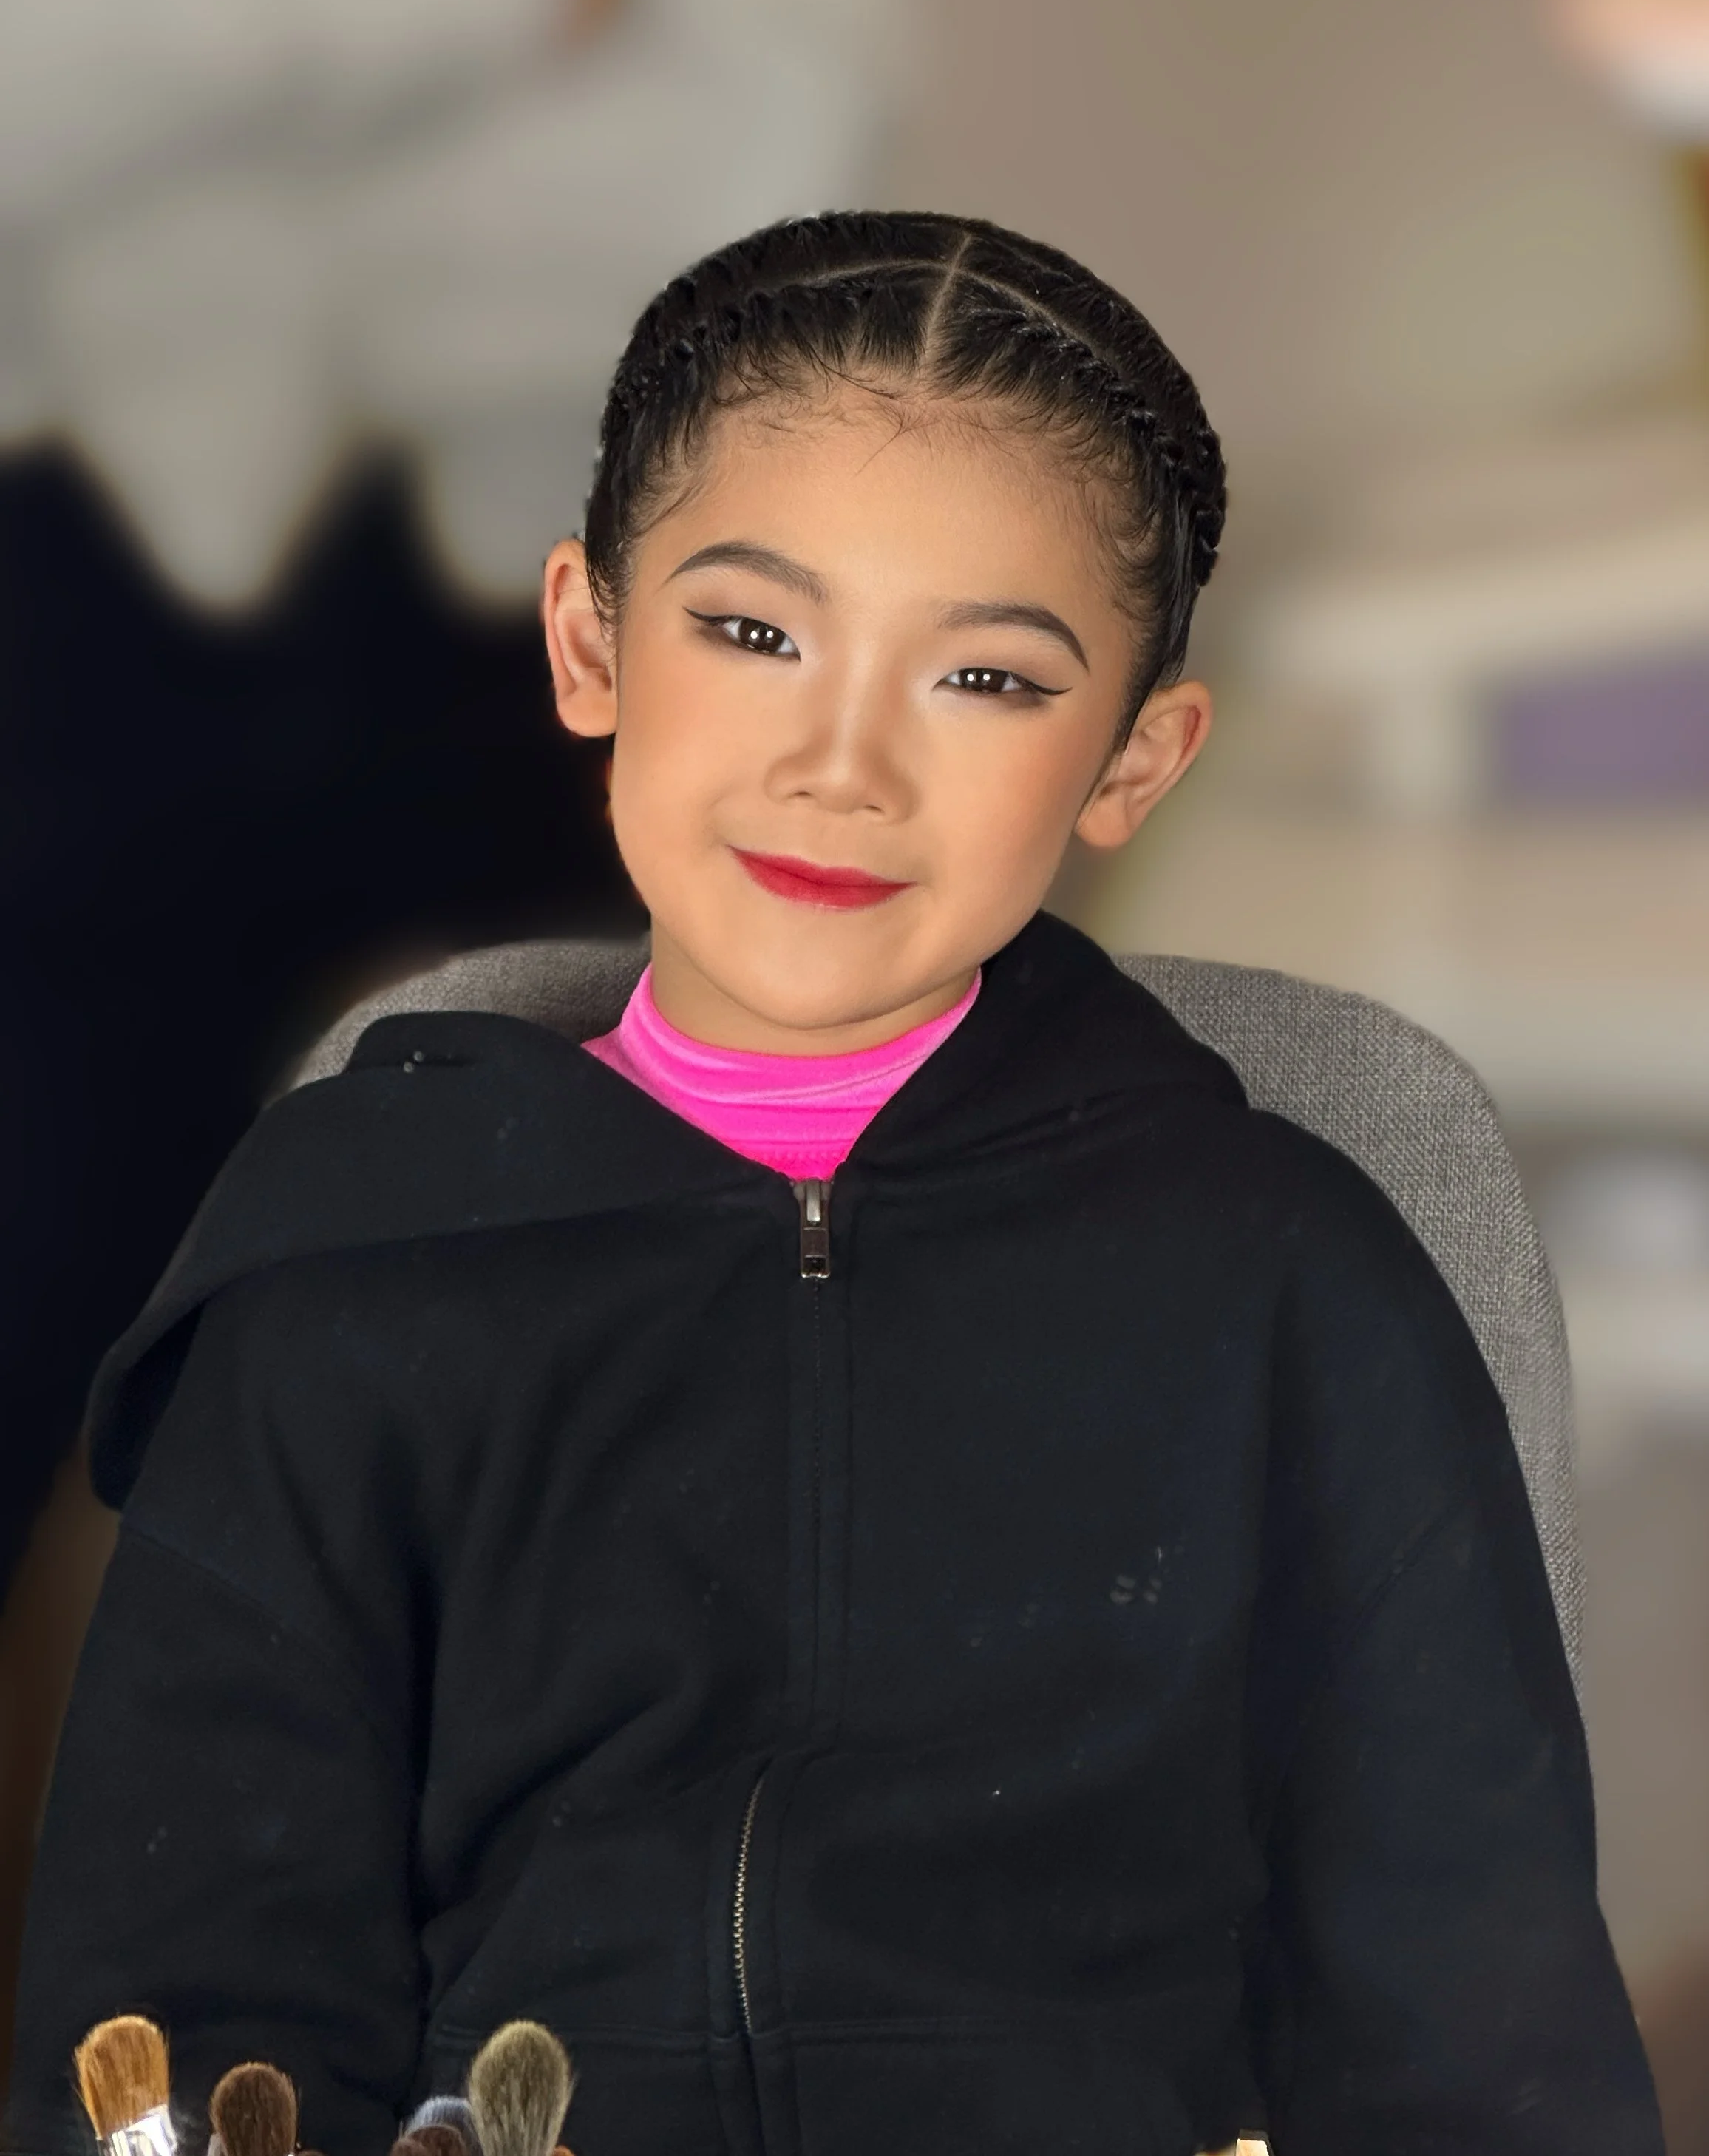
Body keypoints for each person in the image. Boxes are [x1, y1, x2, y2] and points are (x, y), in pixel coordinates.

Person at [6, 212, 1662, 2156]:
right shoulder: (345, 1278)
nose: (844, 763)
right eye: (753, 632)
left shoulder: (1300, 1297)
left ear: (1133, 763)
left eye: (986, 681)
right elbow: (178, 2018)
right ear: (588, 640)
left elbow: (1482, 2053)